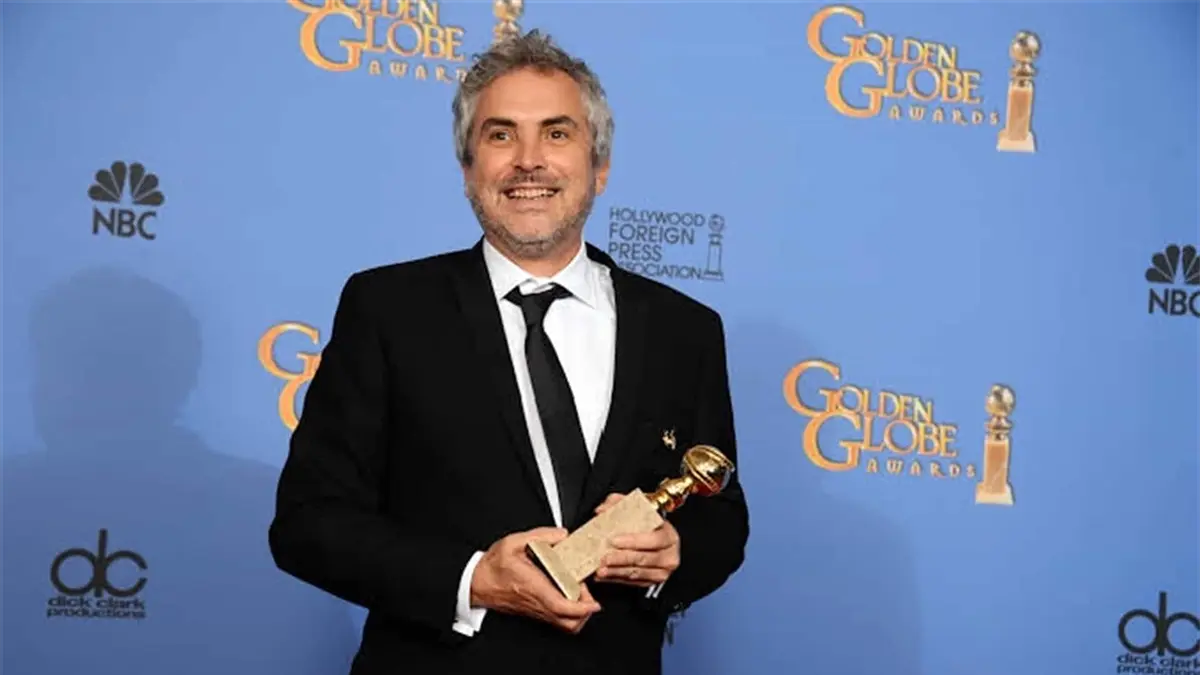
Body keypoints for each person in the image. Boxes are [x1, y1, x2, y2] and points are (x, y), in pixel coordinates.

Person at [267, 29, 749, 675]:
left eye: (557, 133)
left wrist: (672, 555)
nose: (529, 161)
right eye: (500, 135)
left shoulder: (683, 329)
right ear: (468, 169)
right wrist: (472, 580)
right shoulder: (388, 310)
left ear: (600, 166)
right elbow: (308, 522)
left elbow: (722, 520)